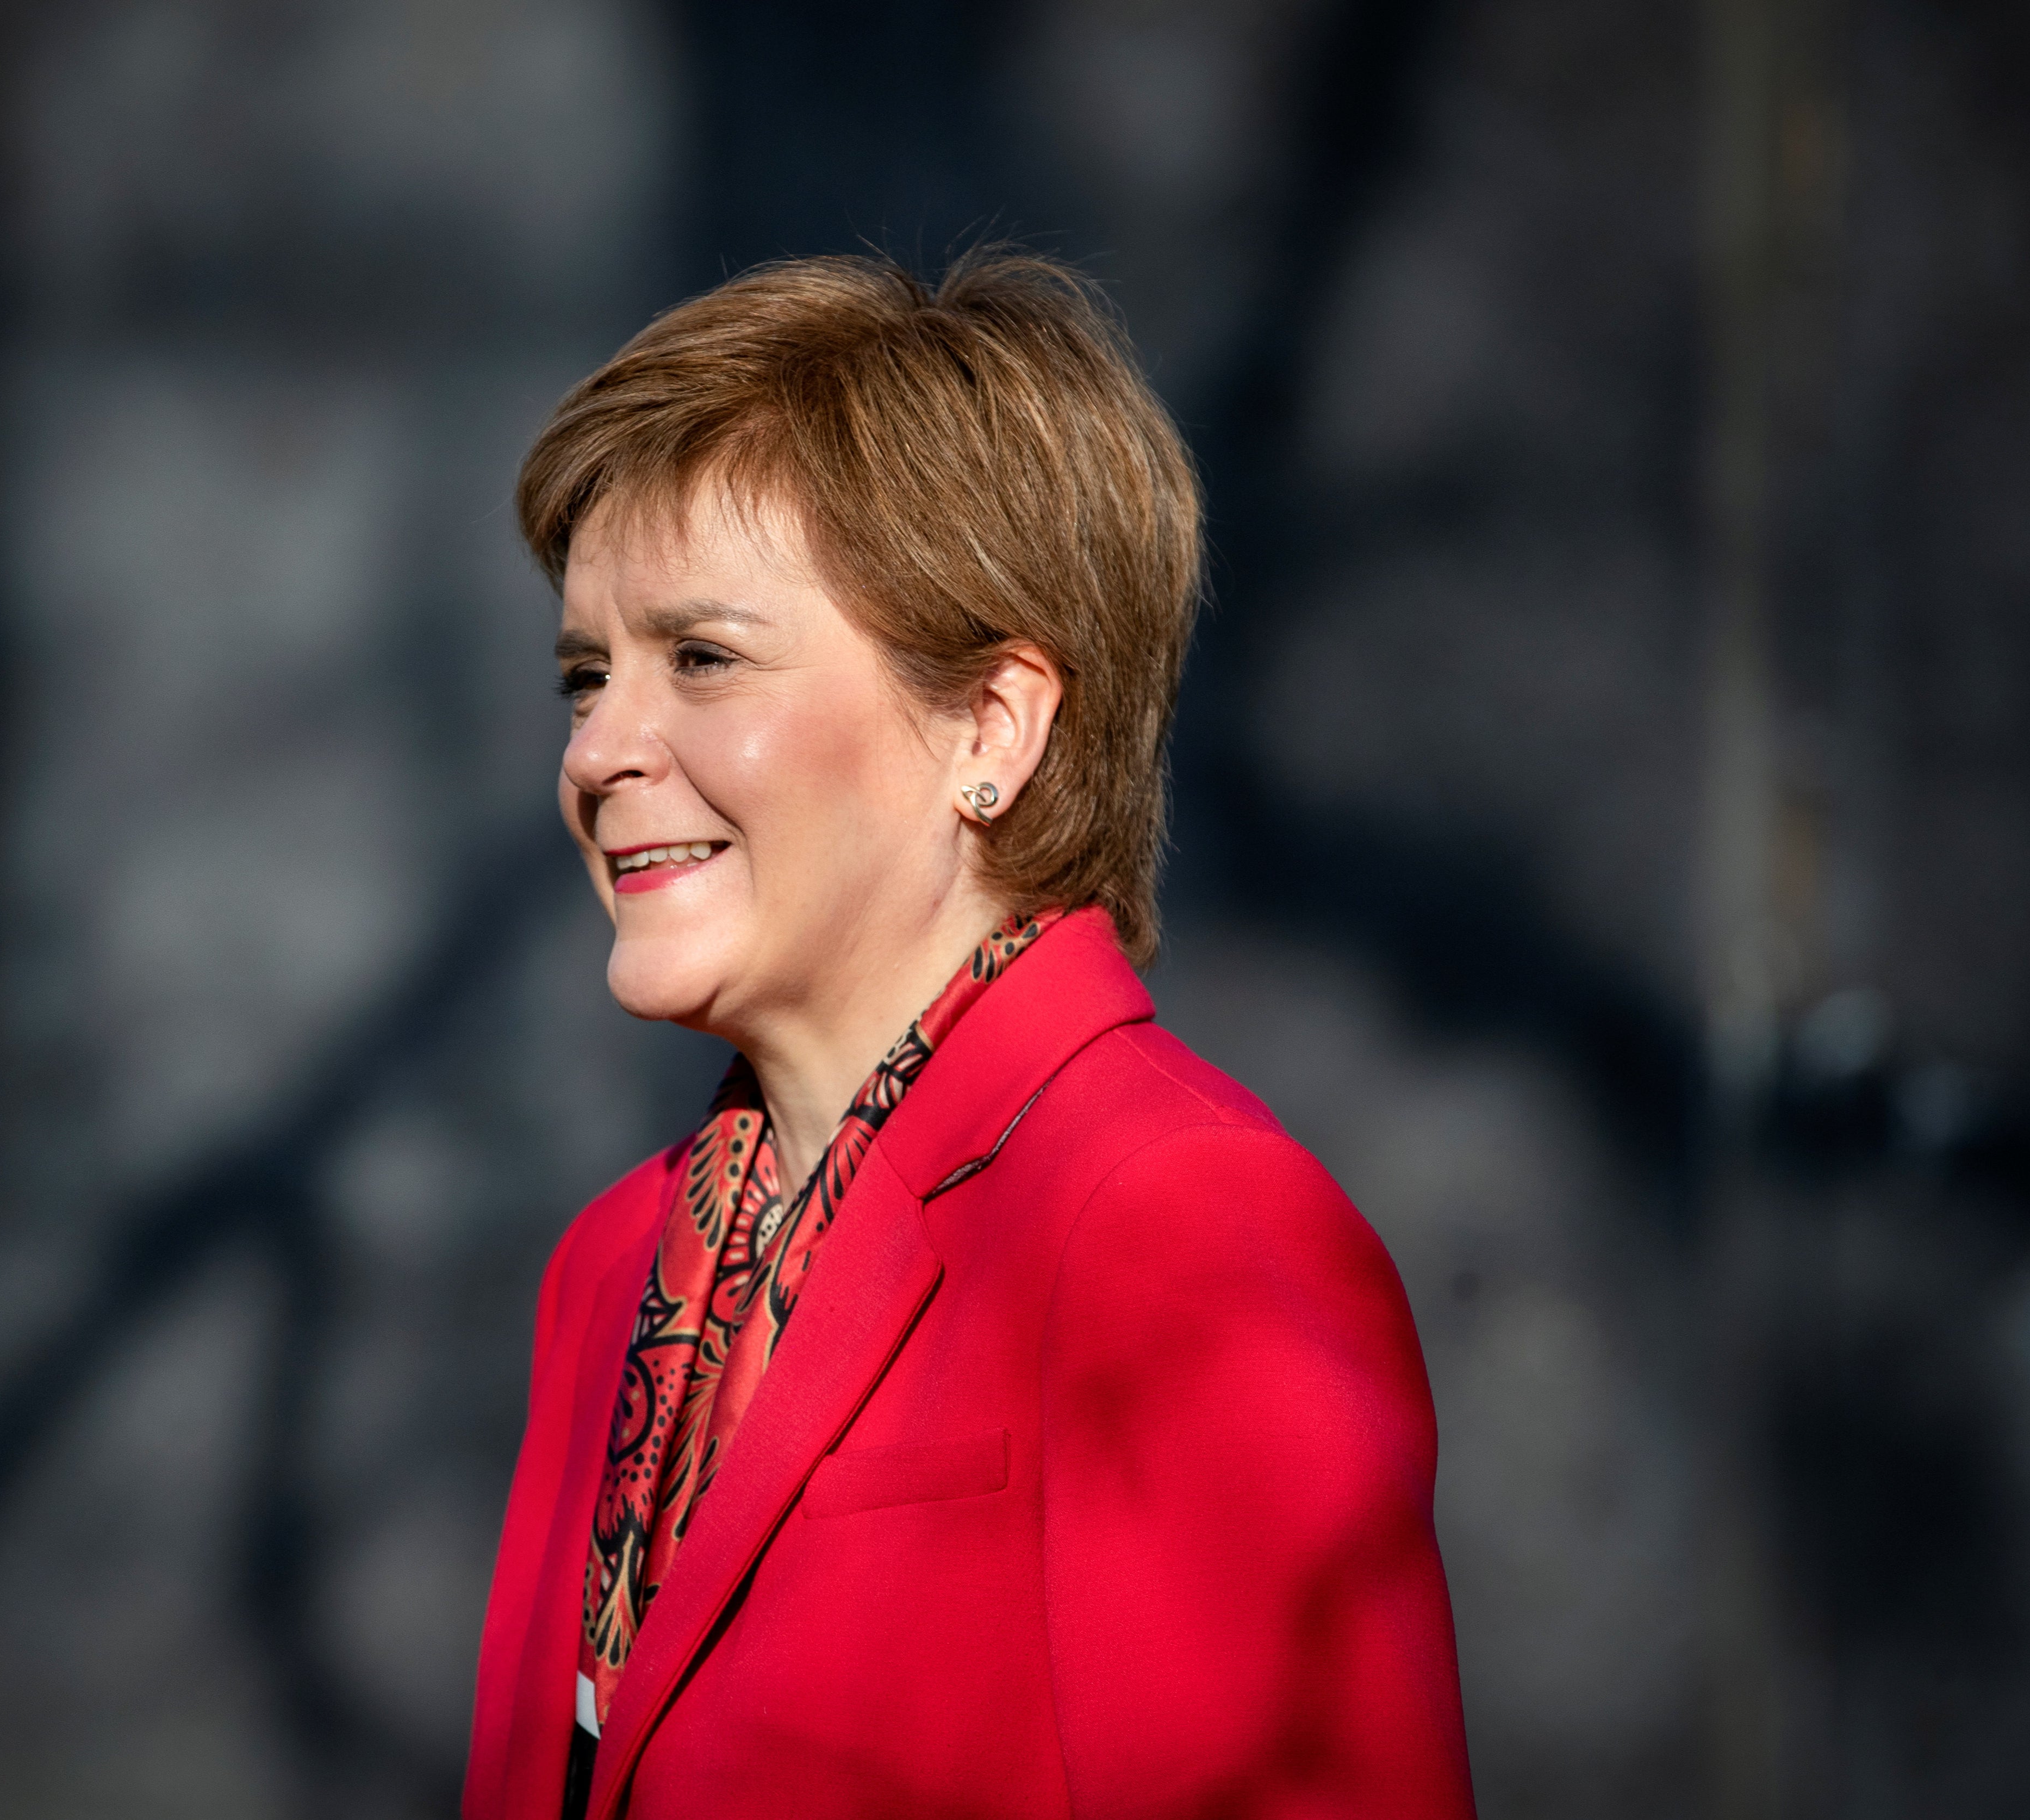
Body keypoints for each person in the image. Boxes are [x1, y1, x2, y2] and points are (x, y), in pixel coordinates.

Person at [462, 249, 1475, 1820]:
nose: (597, 749)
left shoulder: (1172, 1224)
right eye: (584, 675)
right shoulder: (607, 1274)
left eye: (701, 658)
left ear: (989, 727)